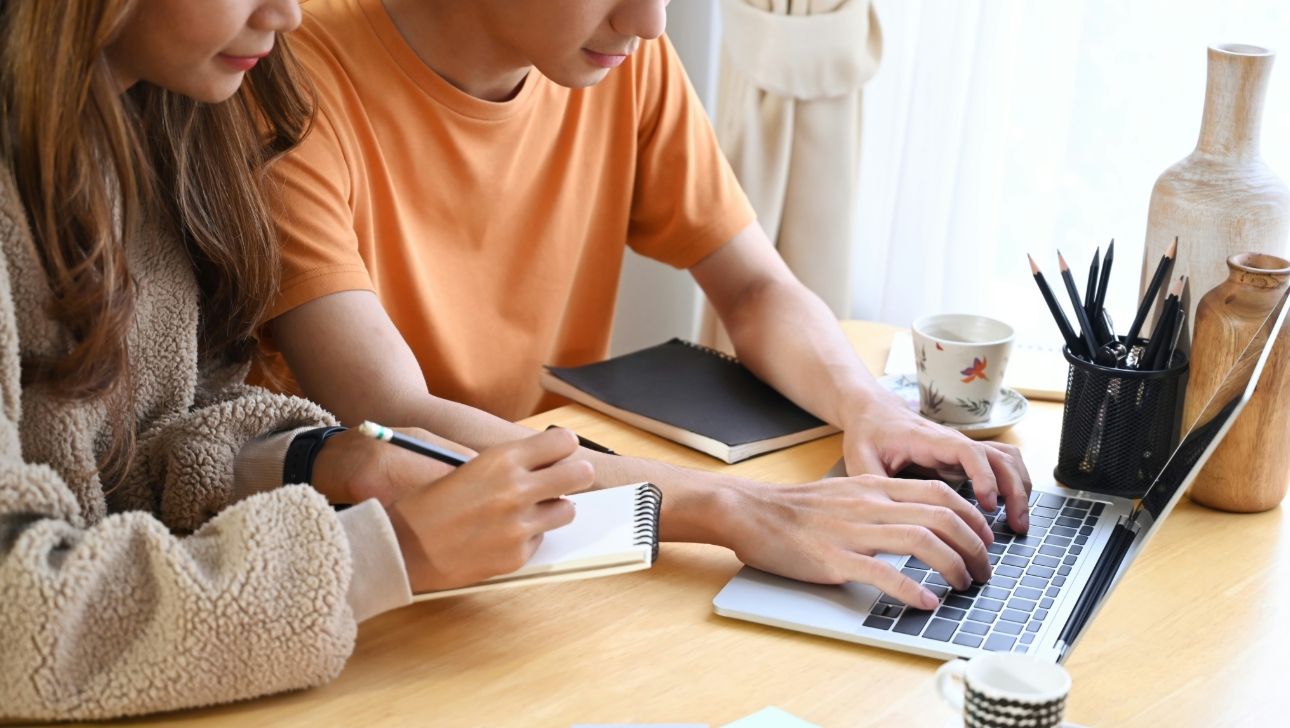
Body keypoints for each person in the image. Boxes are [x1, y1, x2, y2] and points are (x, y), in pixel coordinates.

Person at [256, 0, 1034, 610]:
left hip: (562, 527)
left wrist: (869, 407)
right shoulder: (285, 78)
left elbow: (755, 287)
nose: (650, 22)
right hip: (362, 558)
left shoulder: (619, 56)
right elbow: (398, 417)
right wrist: (740, 509)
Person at [0, 0, 595, 719]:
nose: (288, 12)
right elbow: (19, 620)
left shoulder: (158, 128)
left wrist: (322, 461)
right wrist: (388, 553)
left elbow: (140, 449)